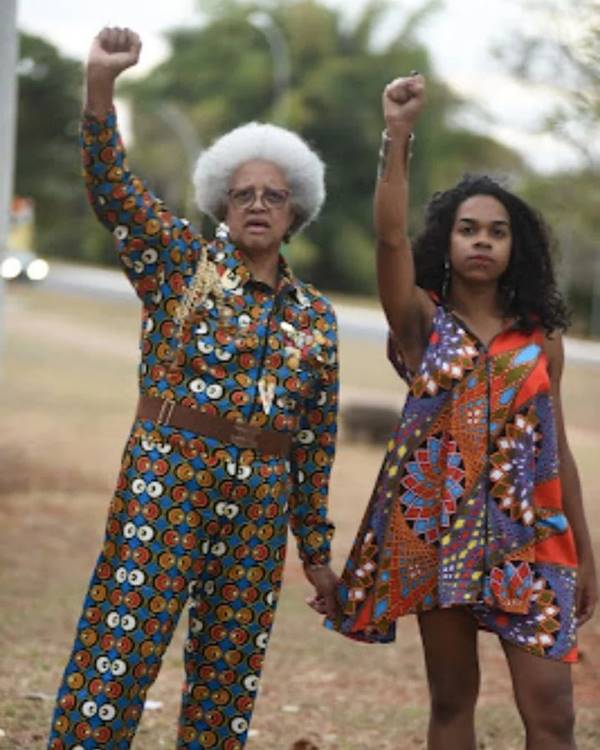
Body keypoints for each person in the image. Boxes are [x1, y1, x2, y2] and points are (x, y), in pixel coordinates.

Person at [47, 27, 339, 750]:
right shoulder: (178, 263)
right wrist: (101, 87)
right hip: (168, 475)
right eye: (242, 193)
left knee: (228, 671)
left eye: (274, 194)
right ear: (220, 202)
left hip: (263, 496)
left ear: (296, 208)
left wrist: (317, 549)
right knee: (123, 646)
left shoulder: (317, 319)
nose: (258, 204)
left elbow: (315, 441)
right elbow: (113, 194)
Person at [322, 73, 598, 750]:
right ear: (445, 242)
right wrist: (399, 134)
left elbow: (556, 448)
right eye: (468, 229)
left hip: (531, 539)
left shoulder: (541, 339)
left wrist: (586, 553)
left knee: (553, 715)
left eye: (497, 232)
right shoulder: (421, 322)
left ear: (515, 248)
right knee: (453, 703)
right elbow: (389, 241)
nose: (482, 241)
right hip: (437, 534)